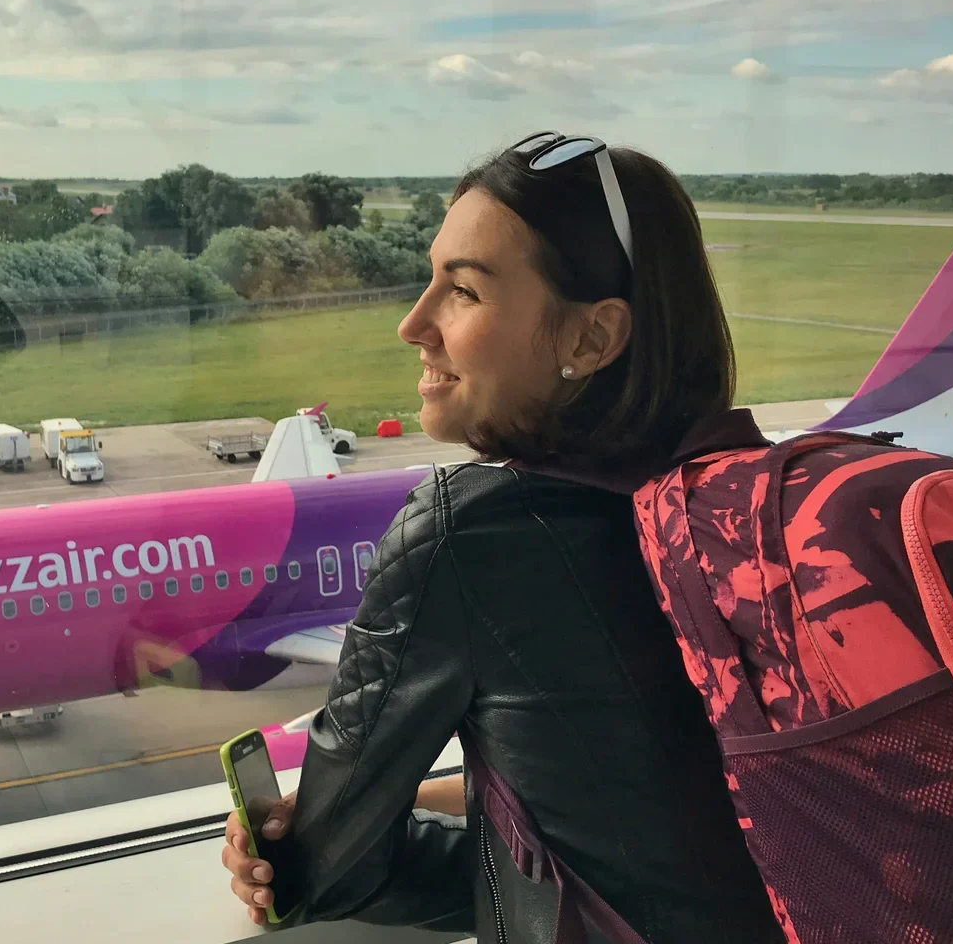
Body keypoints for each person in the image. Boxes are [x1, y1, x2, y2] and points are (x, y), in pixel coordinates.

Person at [220, 134, 784, 942]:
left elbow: (325, 870)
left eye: (463, 291)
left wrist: (300, 842)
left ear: (590, 339)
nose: (413, 324)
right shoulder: (737, 498)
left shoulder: (468, 532)